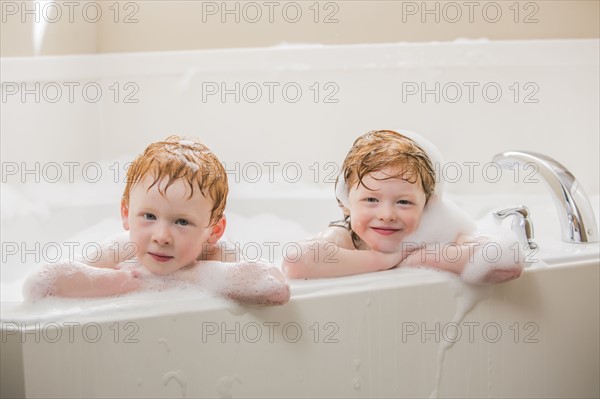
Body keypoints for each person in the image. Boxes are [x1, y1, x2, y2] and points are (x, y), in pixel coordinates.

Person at [24, 136, 290, 305]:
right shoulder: (120, 250)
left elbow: (276, 288)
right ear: (126, 215)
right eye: (149, 216)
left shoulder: (217, 255)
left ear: (214, 231)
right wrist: (124, 282)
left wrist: (196, 275)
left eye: (182, 222)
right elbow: (39, 284)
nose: (161, 235)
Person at [282, 129, 525, 283]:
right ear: (345, 204)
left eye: (404, 202)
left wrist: (421, 258)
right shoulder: (346, 236)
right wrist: (383, 261)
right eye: (371, 200)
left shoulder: (437, 231)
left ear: (427, 205)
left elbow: (503, 259)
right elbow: (295, 261)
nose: (386, 215)